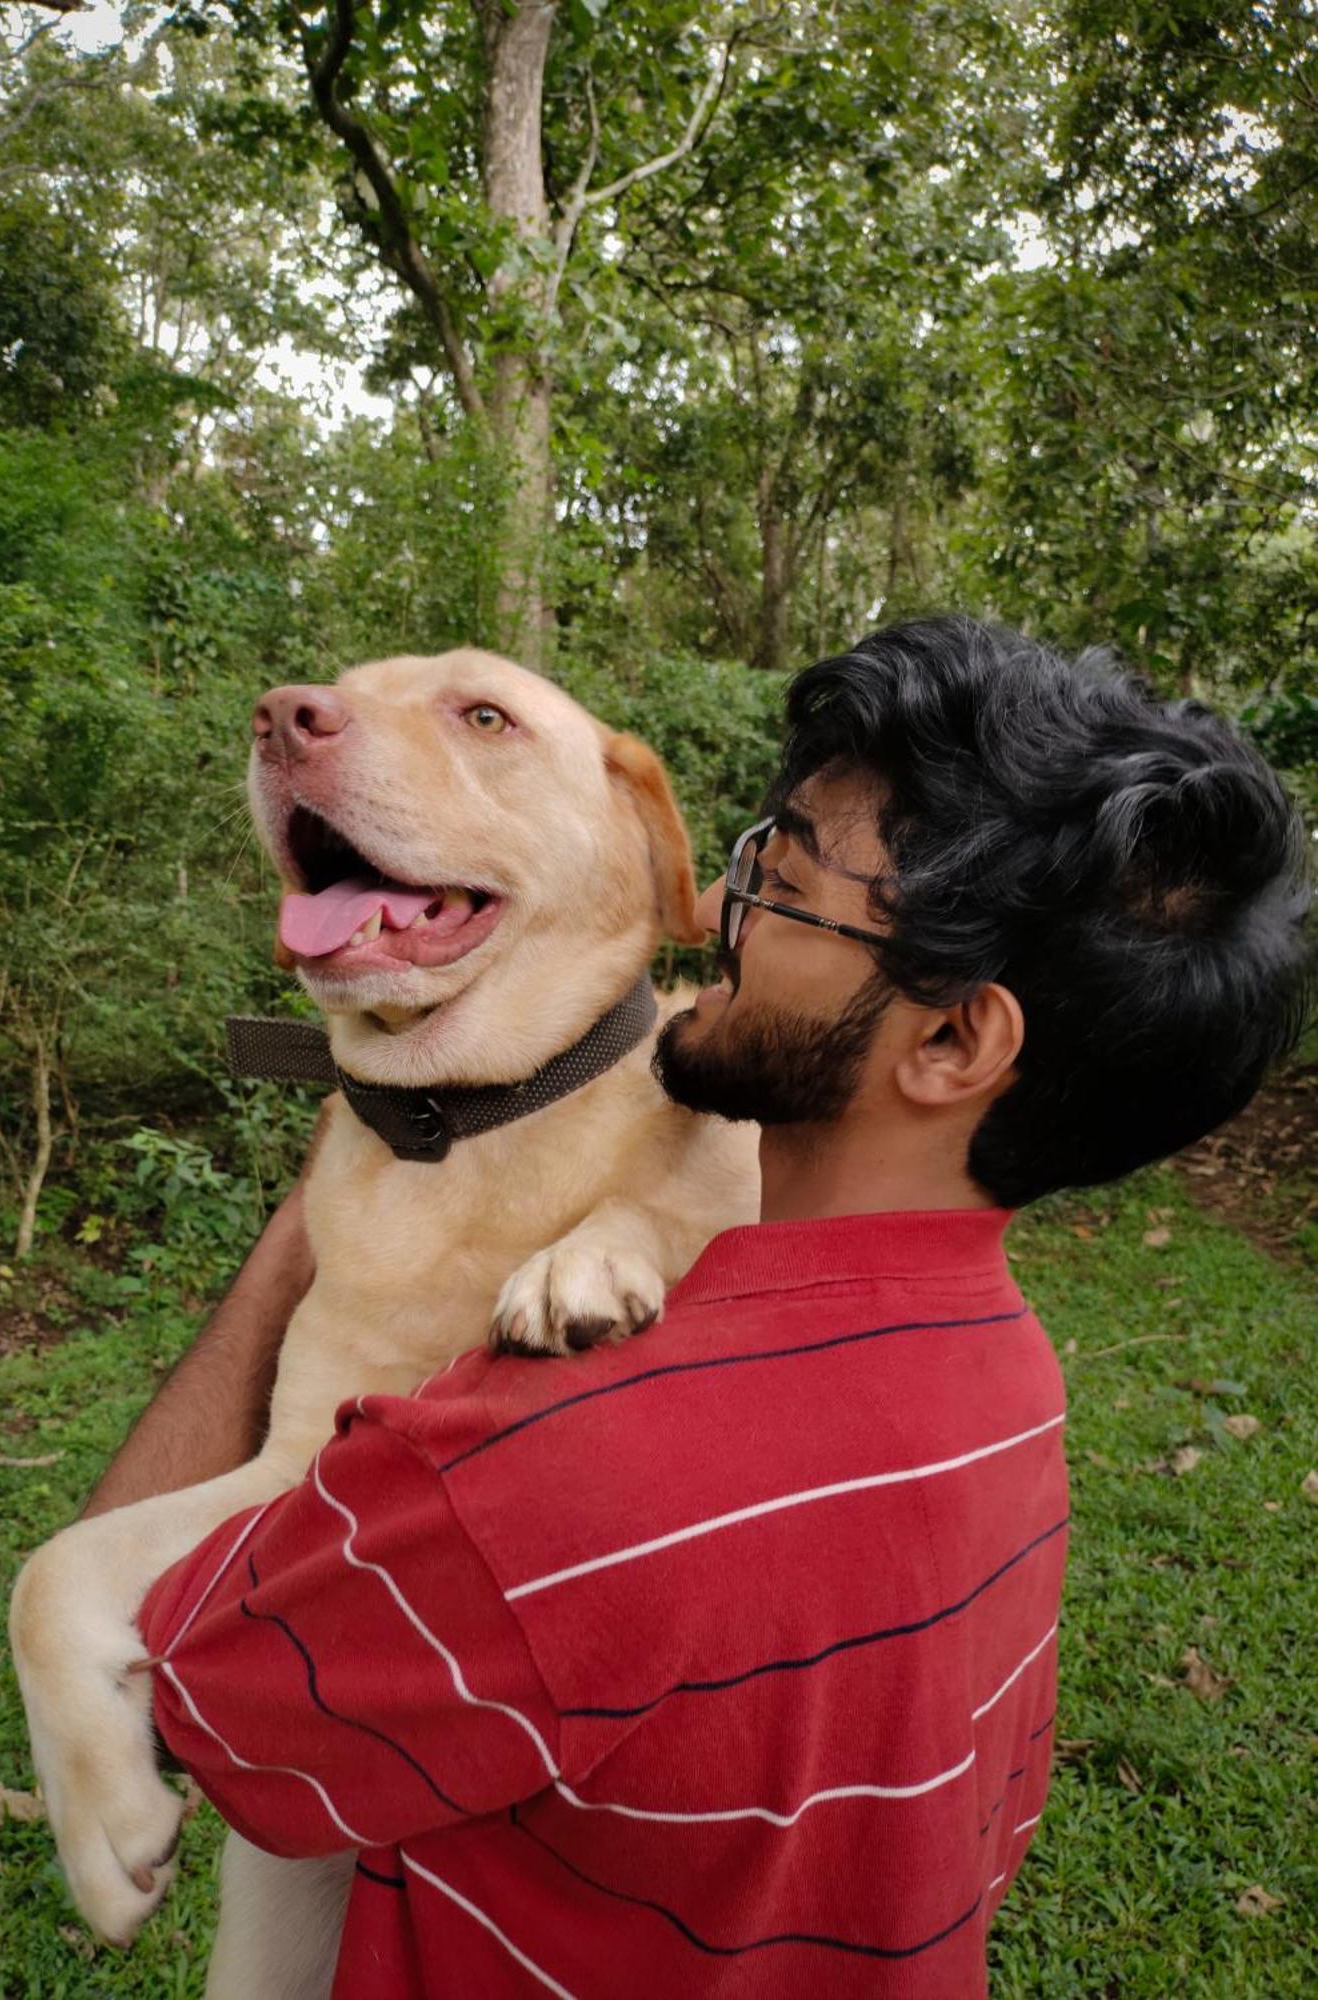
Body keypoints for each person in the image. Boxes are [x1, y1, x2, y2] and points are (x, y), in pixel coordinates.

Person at [102, 617, 1310, 1997]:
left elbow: (159, 1695)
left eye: (783, 886)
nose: (720, 919)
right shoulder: (1009, 1380)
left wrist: (315, 1221)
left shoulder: (549, 1463)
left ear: (956, 1040)